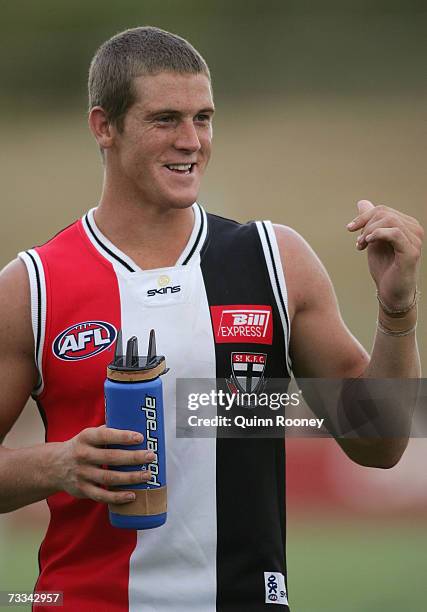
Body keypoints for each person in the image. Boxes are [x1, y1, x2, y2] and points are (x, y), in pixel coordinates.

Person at [0, 26, 423, 612]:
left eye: (204, 118)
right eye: (166, 119)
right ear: (104, 126)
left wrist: (397, 306)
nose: (191, 140)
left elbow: (379, 444)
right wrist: (58, 465)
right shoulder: (32, 286)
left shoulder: (274, 260)